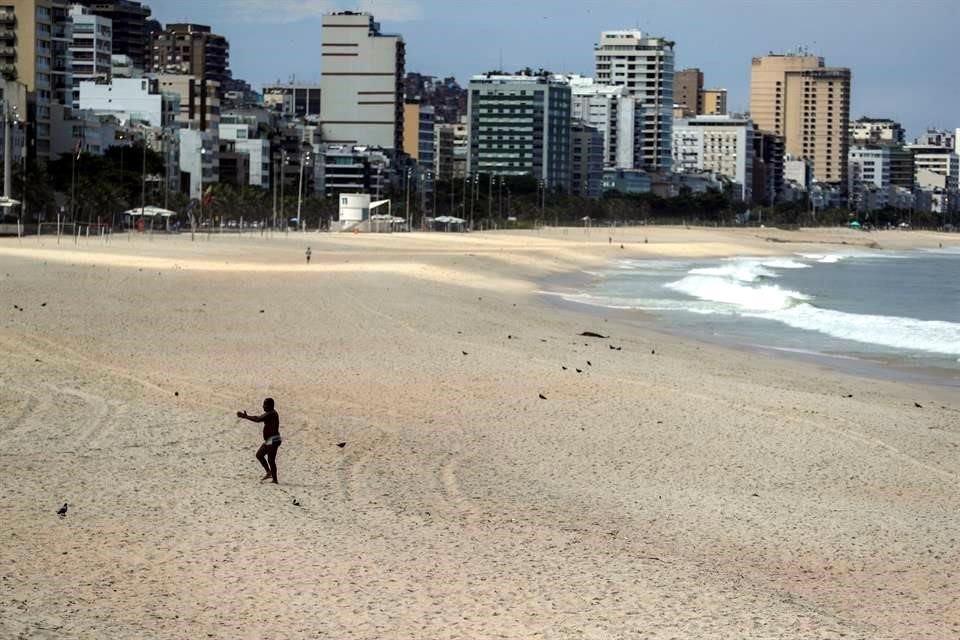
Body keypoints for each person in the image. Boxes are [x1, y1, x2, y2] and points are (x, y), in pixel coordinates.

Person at [237, 398, 281, 483]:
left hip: (273, 439)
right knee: (261, 456)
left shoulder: (270, 414)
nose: (263, 406)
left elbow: (257, 419)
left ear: (270, 406)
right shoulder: (272, 413)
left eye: (265, 404)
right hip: (272, 439)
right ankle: (270, 474)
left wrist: (245, 416)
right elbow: (258, 418)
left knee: (267, 458)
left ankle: (273, 478)